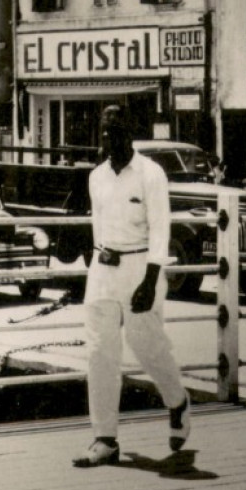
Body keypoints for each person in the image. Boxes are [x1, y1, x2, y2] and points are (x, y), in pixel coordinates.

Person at [74, 105, 191, 467]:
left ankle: (177, 401)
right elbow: (96, 227)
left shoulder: (151, 174)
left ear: (131, 132)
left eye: (116, 130)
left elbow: (161, 229)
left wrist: (150, 280)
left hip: (141, 267)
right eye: (104, 131)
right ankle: (105, 438)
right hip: (102, 269)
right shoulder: (95, 177)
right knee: (99, 352)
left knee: (148, 347)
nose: (109, 137)